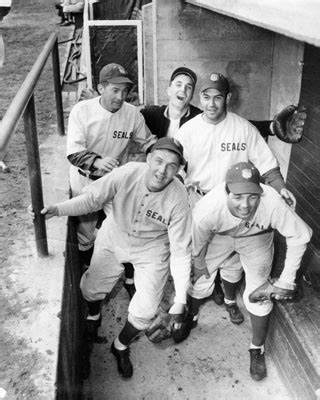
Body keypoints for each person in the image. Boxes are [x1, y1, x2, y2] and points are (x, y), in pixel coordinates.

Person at [80, 66, 306, 306]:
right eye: (207, 97)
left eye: (218, 97)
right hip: (198, 200)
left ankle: (220, 291)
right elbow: (171, 167)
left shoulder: (244, 128)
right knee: (195, 254)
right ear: (201, 99)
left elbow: (267, 164)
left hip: (234, 202)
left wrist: (280, 187)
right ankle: (190, 301)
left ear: (227, 99)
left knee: (230, 257)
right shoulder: (188, 130)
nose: (211, 103)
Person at [38, 137, 192, 378]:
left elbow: (181, 251)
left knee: (146, 309)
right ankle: (93, 315)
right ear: (148, 158)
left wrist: (180, 299)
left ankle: (120, 345)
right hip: (115, 232)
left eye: (172, 165)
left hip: (151, 248)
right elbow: (92, 199)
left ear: (179, 169)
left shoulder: (179, 197)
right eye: (159, 161)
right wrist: (57, 209)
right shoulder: (128, 172)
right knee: (90, 287)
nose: (162, 170)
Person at [175, 161, 312, 381]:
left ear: (260, 192)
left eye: (252, 196)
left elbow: (301, 235)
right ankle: (192, 314)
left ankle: (257, 348)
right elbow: (197, 248)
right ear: (226, 192)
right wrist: (199, 268)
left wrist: (286, 280)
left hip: (257, 238)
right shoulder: (207, 209)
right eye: (238, 197)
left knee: (259, 292)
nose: (245, 205)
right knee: (199, 278)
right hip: (220, 235)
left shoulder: (272, 202)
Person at [67, 62, 156, 297]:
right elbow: (73, 152)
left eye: (125, 91)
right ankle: (87, 272)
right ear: (100, 88)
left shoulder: (131, 113)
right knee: (85, 234)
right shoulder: (82, 110)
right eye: (115, 90)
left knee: (125, 227)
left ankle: (129, 277)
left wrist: (163, 153)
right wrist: (96, 161)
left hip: (115, 181)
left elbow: (147, 142)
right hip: (85, 178)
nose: (121, 96)